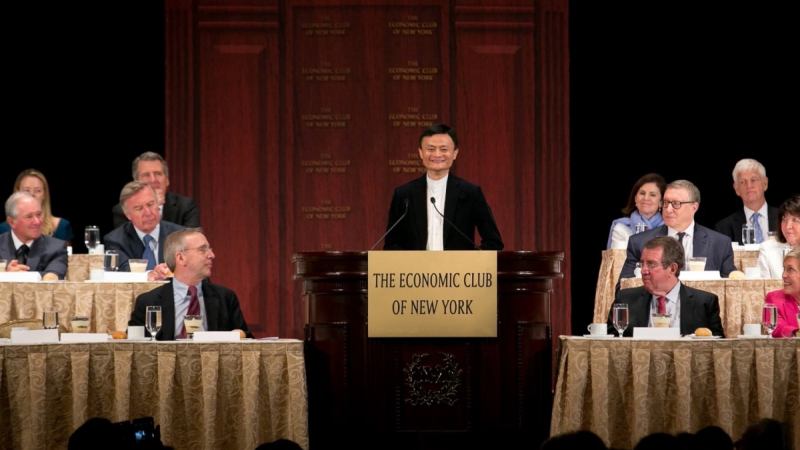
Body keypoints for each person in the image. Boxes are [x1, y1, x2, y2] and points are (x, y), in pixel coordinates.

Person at [382, 123, 503, 250]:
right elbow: (391, 245)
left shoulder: (470, 193)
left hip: (458, 263)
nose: (437, 154)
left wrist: (470, 260)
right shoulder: (404, 194)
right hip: (415, 263)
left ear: (455, 153)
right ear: (421, 153)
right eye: (431, 149)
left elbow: (494, 242)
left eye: (444, 149)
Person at [128, 228, 252, 340]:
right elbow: (132, 346)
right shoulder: (149, 302)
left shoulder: (225, 298)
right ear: (181, 258)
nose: (212, 255)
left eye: (210, 249)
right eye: (203, 250)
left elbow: (247, 341)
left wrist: (238, 335)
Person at [619, 180, 736, 279]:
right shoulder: (640, 242)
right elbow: (623, 288)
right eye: (665, 203)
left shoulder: (719, 243)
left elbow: (730, 287)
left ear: (694, 207)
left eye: (676, 203)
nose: (668, 209)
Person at [609, 236, 724, 336]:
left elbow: (718, 347)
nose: (643, 270)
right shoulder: (625, 299)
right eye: (642, 264)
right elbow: (610, 342)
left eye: (651, 264)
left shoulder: (704, 303)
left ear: (672, 268)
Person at [104, 181, 184, 278]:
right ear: (128, 215)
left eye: (150, 204)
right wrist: (150, 275)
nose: (148, 212)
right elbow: (124, 270)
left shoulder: (180, 236)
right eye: (139, 208)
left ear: (158, 205)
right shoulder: (115, 241)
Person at [111, 151, 200, 228]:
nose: (153, 180)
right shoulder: (123, 211)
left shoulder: (186, 207)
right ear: (136, 182)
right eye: (146, 175)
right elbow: (131, 241)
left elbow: (192, 240)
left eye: (158, 174)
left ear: (167, 180)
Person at [0, 192, 67, 280]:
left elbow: (52, 277)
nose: (37, 222)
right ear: (12, 222)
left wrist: (12, 276)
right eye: (29, 216)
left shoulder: (56, 248)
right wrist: (5, 275)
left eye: (39, 214)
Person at [714, 158, 779, 244]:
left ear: (765, 183)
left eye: (753, 180)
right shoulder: (723, 228)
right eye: (742, 182)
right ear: (736, 188)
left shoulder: (784, 219)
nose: (749, 186)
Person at [0, 168, 73, 244]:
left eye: (37, 190)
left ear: (44, 194)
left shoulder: (62, 226)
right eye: (26, 190)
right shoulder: (4, 229)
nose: (32, 195)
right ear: (17, 192)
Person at [607, 173, 666, 249]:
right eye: (642, 193)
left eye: (652, 195)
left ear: (661, 202)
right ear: (635, 199)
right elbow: (619, 257)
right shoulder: (621, 227)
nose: (646, 198)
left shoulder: (669, 228)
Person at [757, 194, 800, 278]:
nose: (788, 226)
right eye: (784, 219)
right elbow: (762, 284)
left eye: (795, 220)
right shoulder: (768, 249)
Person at [763, 248, 799, 337]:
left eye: (790, 269)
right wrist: (797, 332)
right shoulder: (774, 298)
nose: (783, 275)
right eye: (784, 269)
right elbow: (777, 328)